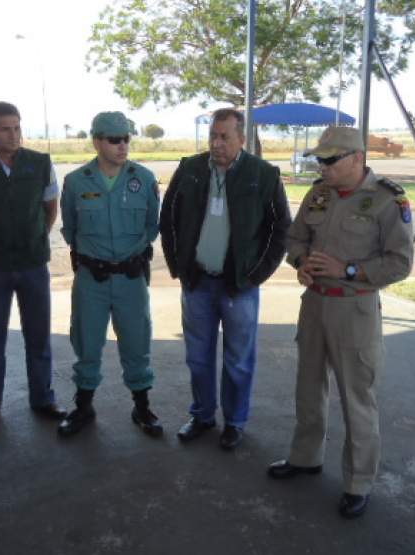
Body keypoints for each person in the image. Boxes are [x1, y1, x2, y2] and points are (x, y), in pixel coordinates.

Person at [266, 126, 414, 519]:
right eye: (320, 159)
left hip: (355, 309)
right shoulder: (318, 194)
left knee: (356, 398)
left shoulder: (387, 200)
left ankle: (358, 482)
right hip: (314, 303)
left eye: (331, 160)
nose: (323, 166)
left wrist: (348, 269)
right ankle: (305, 457)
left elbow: (400, 263)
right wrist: (301, 263)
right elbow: (294, 238)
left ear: (357, 159)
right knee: (308, 387)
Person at [159, 108, 290, 450]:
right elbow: (168, 218)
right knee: (198, 357)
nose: (216, 143)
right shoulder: (189, 170)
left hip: (239, 286)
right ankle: (202, 415)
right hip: (197, 282)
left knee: (238, 360)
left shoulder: (263, 174)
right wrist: (179, 266)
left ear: (242, 139)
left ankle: (234, 421)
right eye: (213, 136)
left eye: (224, 137)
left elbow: (281, 230)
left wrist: (256, 274)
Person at [0, 102, 66, 432]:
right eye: (5, 128)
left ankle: (43, 399)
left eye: (17, 127)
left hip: (33, 264)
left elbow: (50, 209)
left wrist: (34, 238)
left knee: (38, 338)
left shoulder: (41, 163)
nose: (13, 134)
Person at [57, 111, 161, 437]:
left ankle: (142, 407)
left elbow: (151, 226)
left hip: (131, 277)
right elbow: (70, 229)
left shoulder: (143, 179)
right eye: (114, 139)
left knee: (136, 343)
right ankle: (83, 407)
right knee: (86, 342)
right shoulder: (76, 182)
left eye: (127, 139)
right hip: (92, 279)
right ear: (97, 141)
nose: (122, 146)